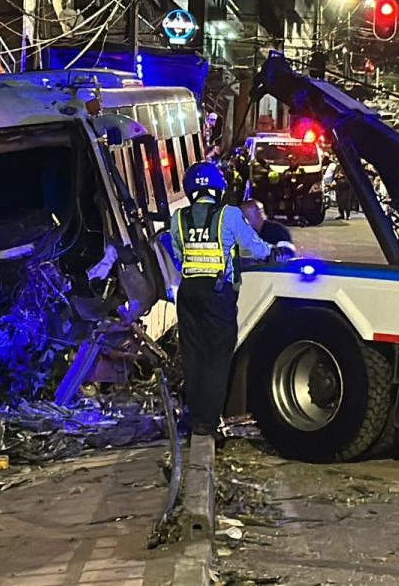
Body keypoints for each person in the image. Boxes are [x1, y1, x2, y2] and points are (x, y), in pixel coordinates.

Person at [170, 162, 271, 534]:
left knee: (193, 358)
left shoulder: (179, 218)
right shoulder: (228, 215)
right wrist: (272, 252)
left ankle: (194, 416)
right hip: (217, 296)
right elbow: (252, 247)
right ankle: (207, 423)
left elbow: (177, 253)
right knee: (217, 359)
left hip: (188, 295)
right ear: (218, 187)